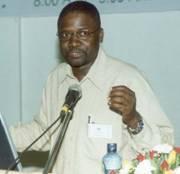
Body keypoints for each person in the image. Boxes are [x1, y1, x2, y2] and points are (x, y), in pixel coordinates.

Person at [10, 1, 174, 174]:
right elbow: (44, 131)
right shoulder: (56, 78)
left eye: (83, 33)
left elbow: (165, 150)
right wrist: (4, 136)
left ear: (100, 35)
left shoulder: (128, 78)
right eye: (65, 35)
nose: (73, 42)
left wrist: (134, 119)